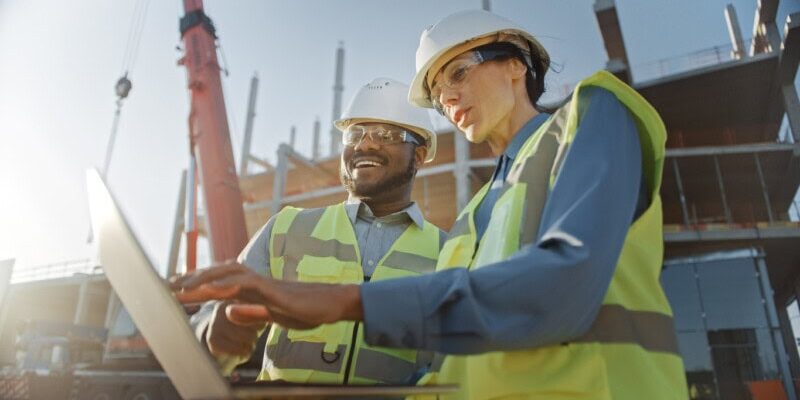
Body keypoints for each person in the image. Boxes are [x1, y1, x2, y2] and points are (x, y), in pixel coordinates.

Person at [174, 10, 687, 399]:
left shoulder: (592, 118)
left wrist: (342, 301)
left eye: (458, 74)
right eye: (439, 92)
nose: (448, 98)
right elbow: (447, 371)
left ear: (514, 64)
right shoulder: (470, 223)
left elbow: (563, 287)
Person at [189, 77, 445, 384]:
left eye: (385, 134)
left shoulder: (450, 252)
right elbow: (213, 315)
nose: (365, 144)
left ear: (417, 156)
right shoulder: (287, 228)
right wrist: (212, 334)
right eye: (355, 134)